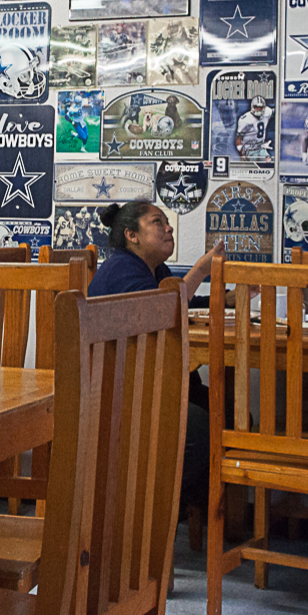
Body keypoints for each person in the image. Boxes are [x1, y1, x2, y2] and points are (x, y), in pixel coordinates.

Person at [88, 200, 222, 518]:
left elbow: (172, 297)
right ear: (132, 235)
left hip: (144, 383)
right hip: (117, 395)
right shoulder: (122, 270)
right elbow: (164, 309)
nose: (168, 227)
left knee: (224, 411)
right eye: (157, 222)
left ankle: (181, 512)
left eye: (167, 221)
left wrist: (225, 299)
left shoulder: (151, 269)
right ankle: (150, 513)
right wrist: (202, 269)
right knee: (201, 428)